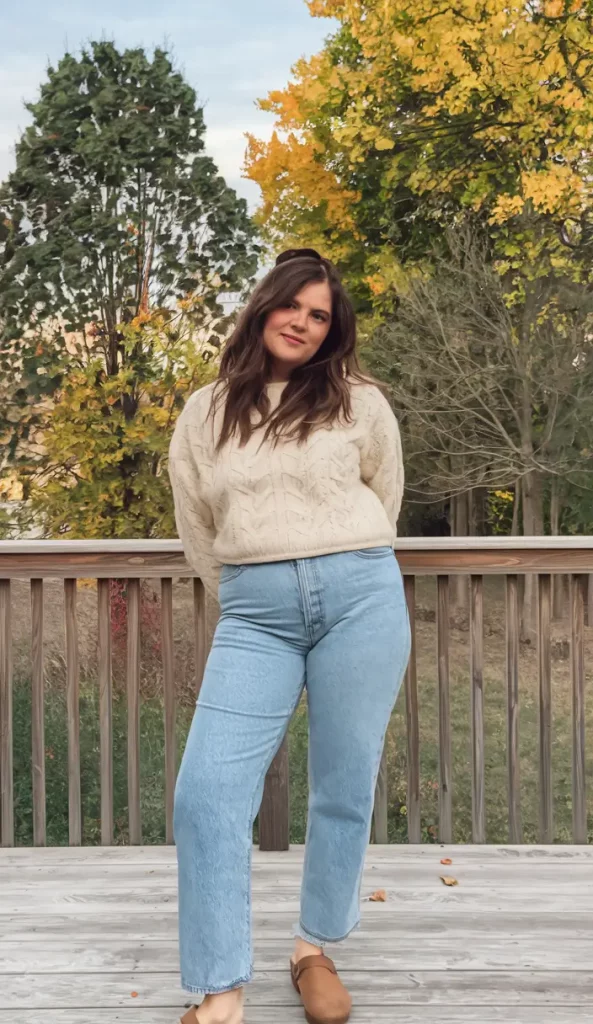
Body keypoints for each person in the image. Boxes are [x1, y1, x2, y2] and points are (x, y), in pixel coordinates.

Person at [168, 249, 411, 1024]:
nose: (302, 324)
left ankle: (313, 948)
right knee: (206, 793)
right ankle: (219, 986)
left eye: (320, 316)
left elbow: (385, 493)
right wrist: (249, 592)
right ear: (263, 305)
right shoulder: (205, 411)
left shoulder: (359, 401)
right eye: (293, 307)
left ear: (331, 331)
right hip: (254, 615)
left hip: (361, 599)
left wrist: (346, 564)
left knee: (344, 782)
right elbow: (197, 528)